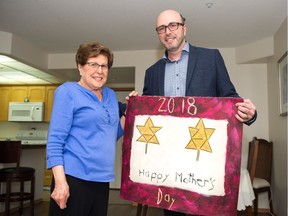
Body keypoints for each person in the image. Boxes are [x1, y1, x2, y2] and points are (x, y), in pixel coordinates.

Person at [142, 10, 257, 216]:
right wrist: (135, 104)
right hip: (168, 164)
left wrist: (248, 114)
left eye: (173, 25)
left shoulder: (211, 58)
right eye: (162, 28)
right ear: (158, 34)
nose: (168, 32)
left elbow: (230, 98)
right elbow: (147, 112)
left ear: (184, 28)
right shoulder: (152, 73)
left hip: (205, 158)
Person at [46, 41, 137, 216]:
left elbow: (112, 134)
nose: (99, 71)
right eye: (93, 64)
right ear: (80, 67)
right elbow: (55, 141)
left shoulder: (110, 95)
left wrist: (130, 110)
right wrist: (60, 182)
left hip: (102, 179)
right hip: (73, 179)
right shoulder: (68, 92)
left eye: (104, 66)